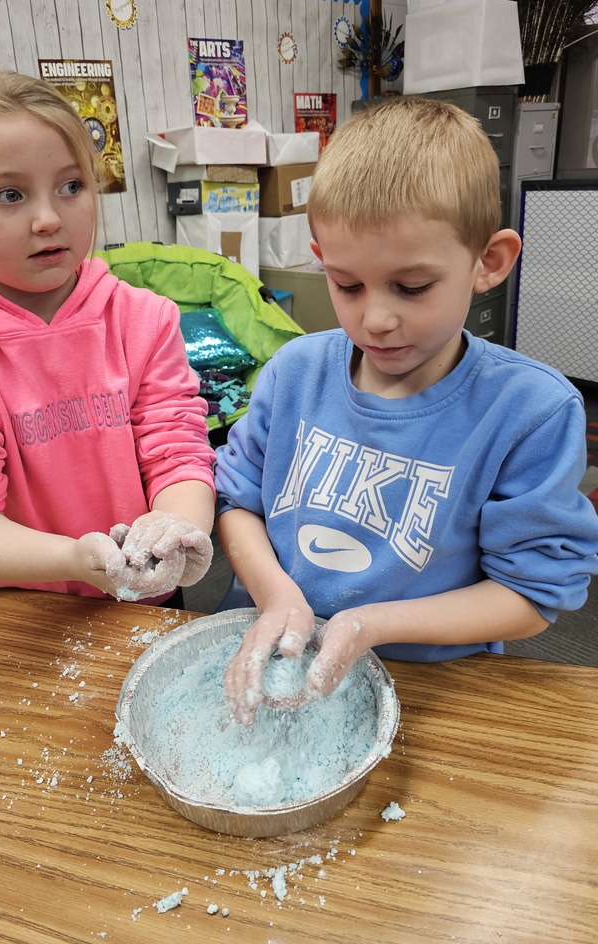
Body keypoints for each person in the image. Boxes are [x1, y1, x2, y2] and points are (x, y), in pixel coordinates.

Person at [215, 95, 598, 725]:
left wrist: (368, 625)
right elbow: (236, 502)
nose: (376, 318)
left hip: (431, 688)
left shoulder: (530, 411)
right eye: (347, 284)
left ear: (488, 262)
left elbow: (531, 594)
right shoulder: (294, 373)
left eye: (412, 287)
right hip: (272, 661)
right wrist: (276, 592)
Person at [0, 69, 215, 603]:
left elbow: (177, 451)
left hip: (147, 599)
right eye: (9, 194)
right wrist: (75, 560)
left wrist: (175, 527)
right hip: (20, 612)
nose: (49, 218)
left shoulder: (143, 320)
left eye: (71, 186)